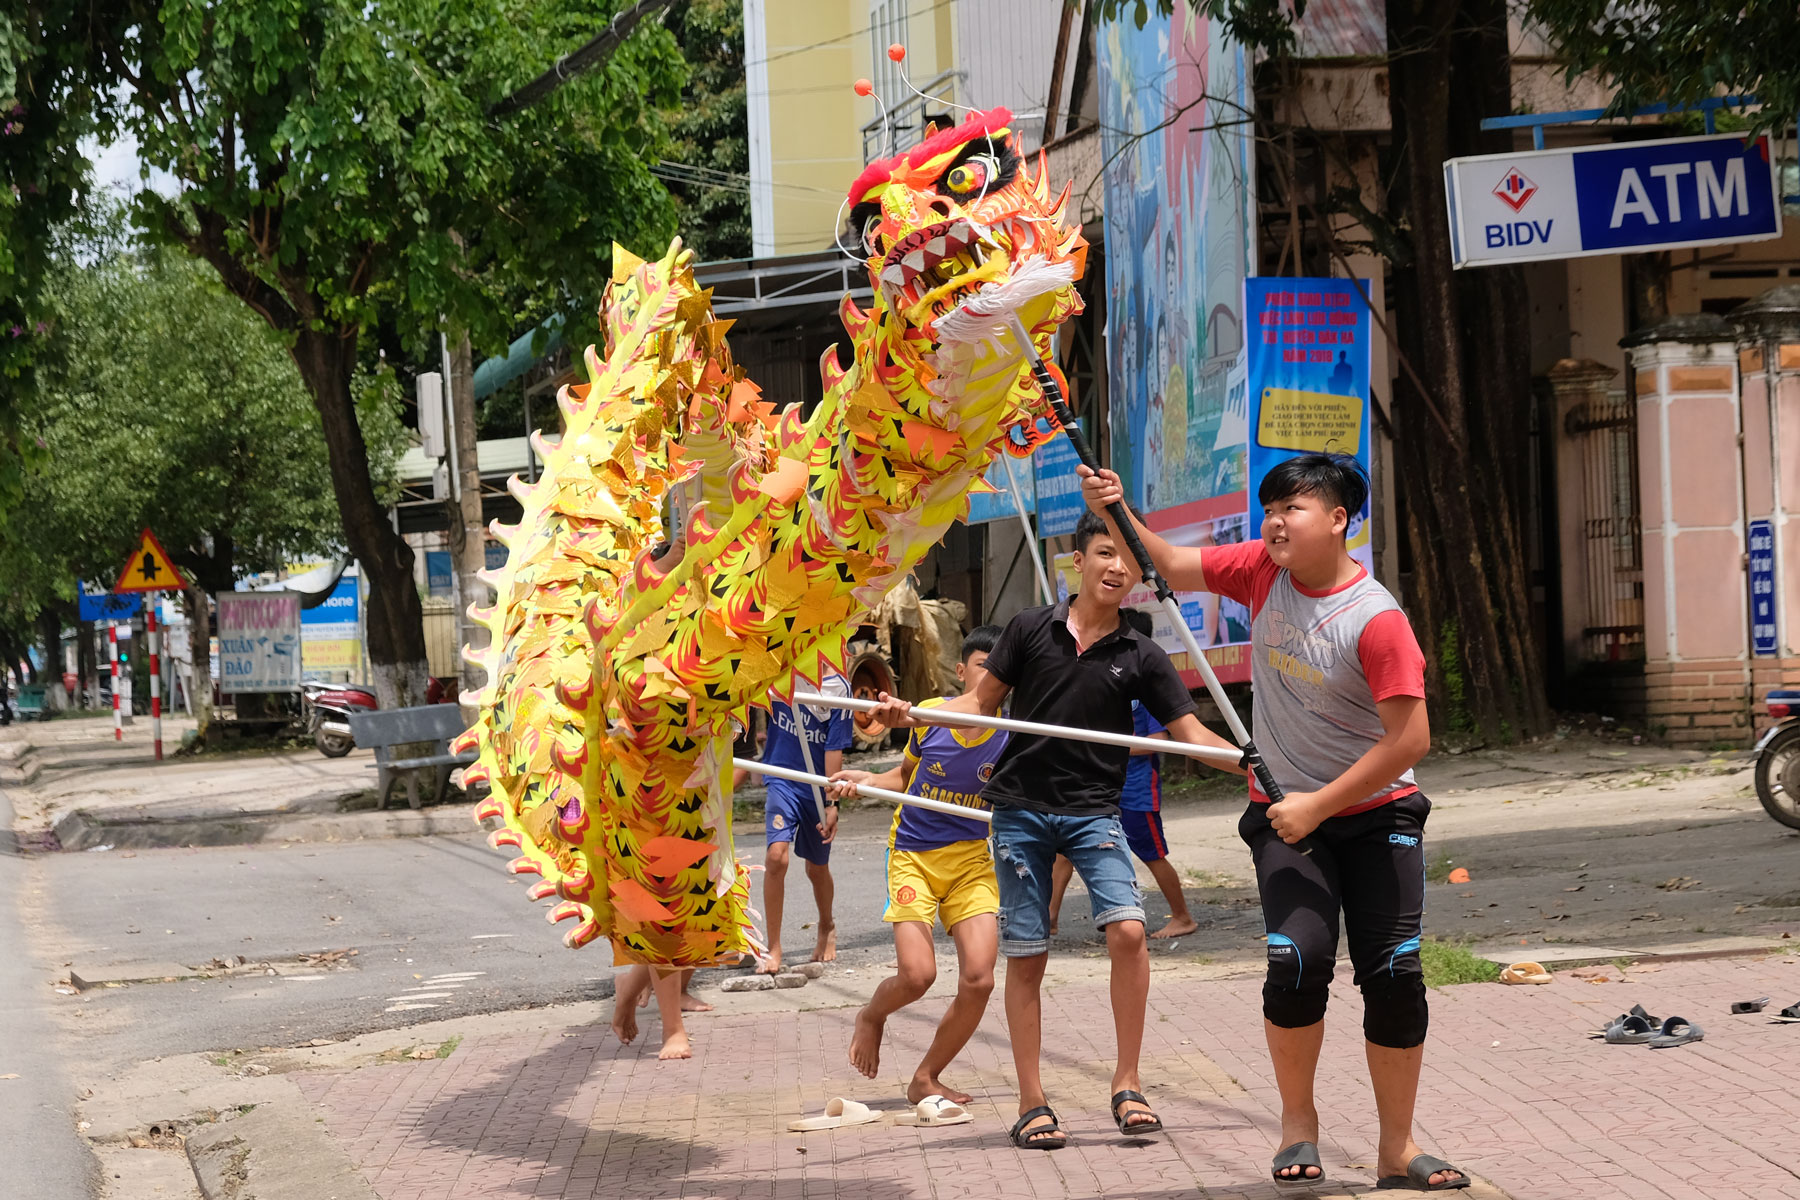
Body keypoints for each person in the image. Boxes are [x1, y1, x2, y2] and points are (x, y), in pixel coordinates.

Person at [1078, 453, 1464, 1191]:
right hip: (1286, 820)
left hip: (1375, 817)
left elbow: (1410, 741)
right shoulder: (1262, 571)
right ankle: (1297, 1130)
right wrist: (1113, 507)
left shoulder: (1377, 619)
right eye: (1271, 508)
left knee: (1394, 975)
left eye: (1294, 508)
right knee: (1297, 964)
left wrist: (1319, 803)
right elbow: (1163, 560)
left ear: (1339, 520)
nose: (1276, 522)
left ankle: (1398, 1149)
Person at [871, 510, 1242, 1151]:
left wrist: (1250, 760)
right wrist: (917, 711)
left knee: (1128, 930)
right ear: (1078, 560)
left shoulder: (1141, 654)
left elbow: (1191, 734)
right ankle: (1032, 1101)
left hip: (1094, 812)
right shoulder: (1029, 629)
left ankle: (1128, 1084)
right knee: (1029, 950)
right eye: (1104, 552)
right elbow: (981, 704)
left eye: (1129, 559)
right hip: (1019, 811)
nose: (1117, 567)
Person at [826, 626, 1005, 1107]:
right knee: (917, 976)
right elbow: (906, 778)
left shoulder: (1014, 734)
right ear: (962, 670)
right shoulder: (930, 717)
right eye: (984, 669)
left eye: (1003, 673)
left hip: (971, 860)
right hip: (913, 855)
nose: (992, 681)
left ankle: (926, 1076)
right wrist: (866, 780)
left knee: (980, 980)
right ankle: (872, 1015)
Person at [1045, 609, 1198, 941]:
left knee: (1151, 853)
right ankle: (1051, 918)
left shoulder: (1149, 684)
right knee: (1063, 850)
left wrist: (1105, 745)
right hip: (1096, 786)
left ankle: (1183, 916)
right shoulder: (1105, 679)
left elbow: (1159, 742)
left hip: (1137, 789)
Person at [757, 673, 851, 973]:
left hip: (816, 785)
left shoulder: (839, 687)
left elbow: (834, 748)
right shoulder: (779, 665)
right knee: (776, 858)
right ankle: (773, 948)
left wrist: (832, 802)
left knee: (816, 867)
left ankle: (827, 924)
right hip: (781, 777)